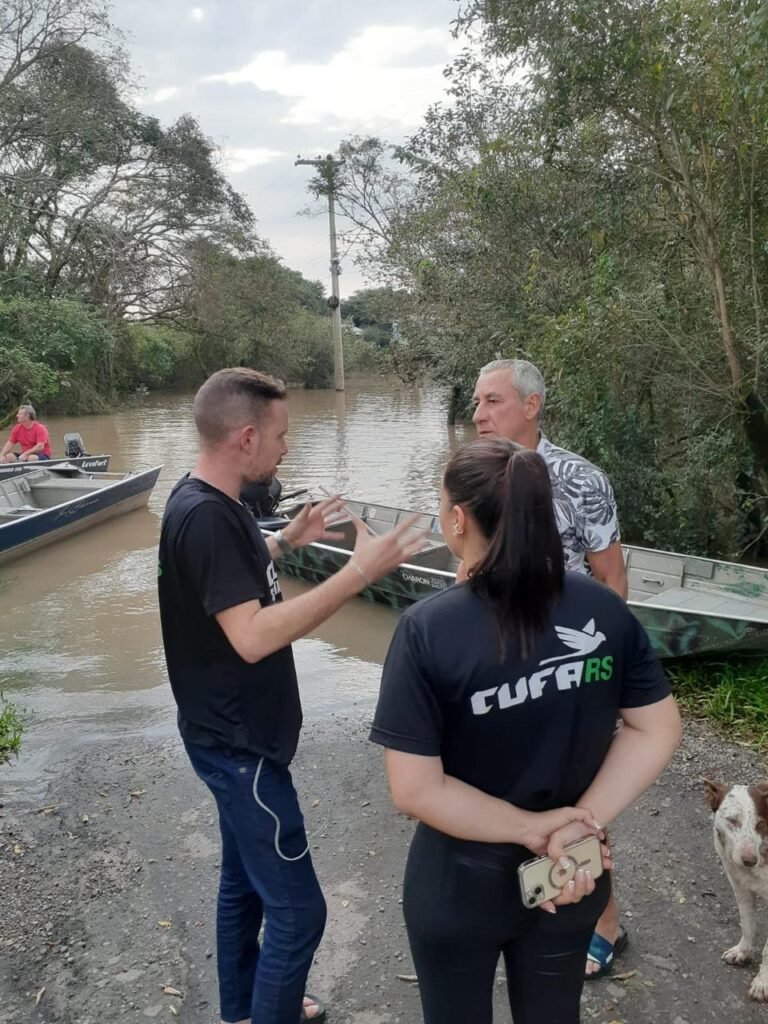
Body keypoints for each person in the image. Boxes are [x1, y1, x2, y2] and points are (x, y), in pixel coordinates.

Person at [370, 439, 681, 1024]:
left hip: (459, 883)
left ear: (458, 520)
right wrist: (580, 823)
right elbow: (656, 728)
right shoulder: (603, 609)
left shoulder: (427, 630)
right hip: (570, 870)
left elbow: (415, 789)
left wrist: (532, 829)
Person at [157, 367, 426, 1024]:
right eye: (280, 436)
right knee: (300, 912)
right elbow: (251, 636)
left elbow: (226, 578)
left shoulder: (201, 500)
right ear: (245, 439)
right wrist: (358, 574)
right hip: (239, 749)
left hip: (222, 734)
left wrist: (284, 542)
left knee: (243, 885)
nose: (286, 448)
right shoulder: (209, 518)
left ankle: (243, 1009)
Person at [471, 358, 628, 978]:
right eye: (476, 403)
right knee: (509, 796)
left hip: (569, 666)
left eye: (493, 401)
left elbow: (611, 578)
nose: (479, 414)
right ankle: (532, 907)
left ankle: (604, 923)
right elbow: (467, 568)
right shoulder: (474, 476)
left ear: (531, 406)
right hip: (501, 669)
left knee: (580, 800)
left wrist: (607, 674)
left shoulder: (580, 479)